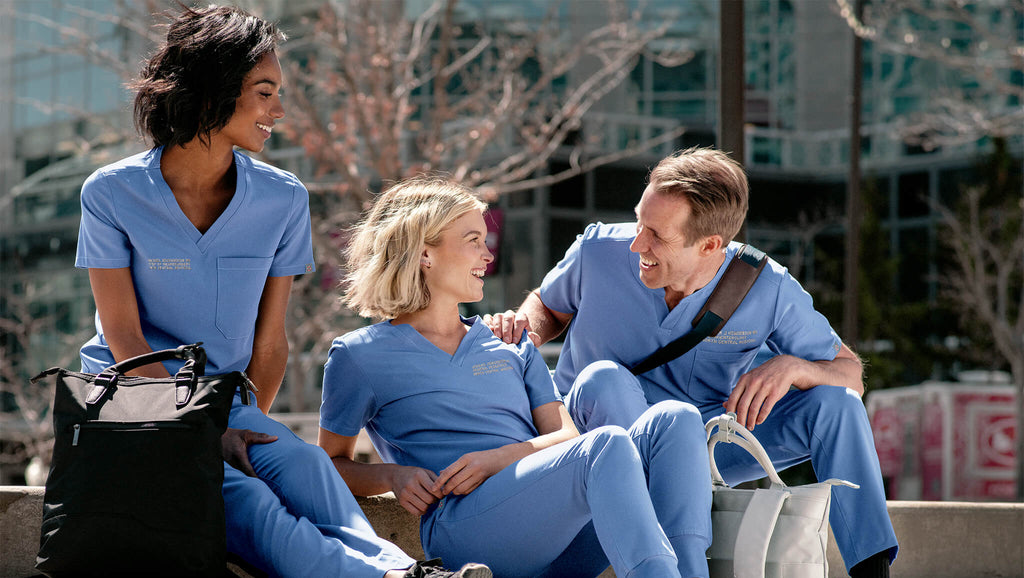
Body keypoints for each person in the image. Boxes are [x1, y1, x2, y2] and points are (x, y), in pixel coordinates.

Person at [75, 5, 486, 577]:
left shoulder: (283, 198)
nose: (279, 111)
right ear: (215, 90)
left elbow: (269, 346)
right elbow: (124, 335)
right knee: (245, 498)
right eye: (265, 92)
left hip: (228, 401)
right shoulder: (113, 193)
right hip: (132, 401)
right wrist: (200, 435)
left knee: (305, 467)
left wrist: (241, 423)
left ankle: (402, 569)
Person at [486, 147, 899, 577]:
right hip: (597, 432)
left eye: (656, 235)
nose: (636, 243)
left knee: (838, 405)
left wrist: (796, 367)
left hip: (700, 447)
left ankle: (872, 570)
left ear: (710, 245)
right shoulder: (597, 250)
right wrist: (527, 326)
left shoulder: (765, 286)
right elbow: (548, 308)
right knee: (606, 378)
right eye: (639, 221)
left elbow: (850, 375)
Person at [318, 177, 714, 578]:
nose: (487, 254)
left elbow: (565, 436)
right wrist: (390, 475)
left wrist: (498, 459)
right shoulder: (359, 354)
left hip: (557, 530)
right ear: (425, 254)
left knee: (677, 420)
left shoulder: (508, 340)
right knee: (607, 443)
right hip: (464, 527)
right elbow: (330, 463)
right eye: (473, 239)